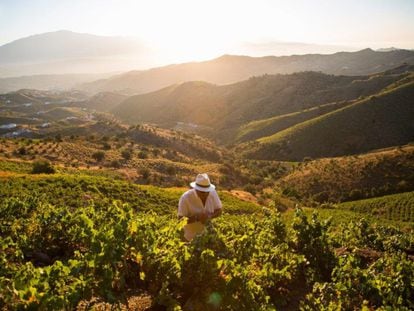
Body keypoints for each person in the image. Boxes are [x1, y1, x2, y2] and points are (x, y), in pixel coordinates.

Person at [178, 173, 222, 241]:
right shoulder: (185, 198)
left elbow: (219, 210)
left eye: (207, 191)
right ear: (196, 189)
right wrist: (197, 218)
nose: (205, 194)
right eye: (202, 192)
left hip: (208, 236)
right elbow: (180, 219)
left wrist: (210, 216)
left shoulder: (212, 193)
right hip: (190, 238)